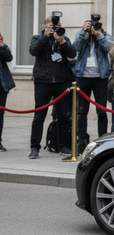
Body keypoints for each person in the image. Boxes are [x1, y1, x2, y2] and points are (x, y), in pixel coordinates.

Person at [28, 15, 77, 158]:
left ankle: (62, 145)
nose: (54, 29)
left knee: (63, 115)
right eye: (50, 26)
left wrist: (61, 41)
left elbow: (72, 54)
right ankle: (34, 147)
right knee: (39, 115)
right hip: (43, 81)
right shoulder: (37, 38)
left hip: (61, 81)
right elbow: (33, 51)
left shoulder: (63, 39)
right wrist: (45, 37)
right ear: (45, 26)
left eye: (56, 26)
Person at [72, 15, 114, 141]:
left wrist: (99, 35)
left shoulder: (106, 36)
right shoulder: (81, 35)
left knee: (101, 111)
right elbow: (75, 48)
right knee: (81, 111)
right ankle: (81, 140)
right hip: (82, 76)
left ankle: (102, 139)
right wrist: (83, 32)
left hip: (100, 77)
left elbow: (109, 48)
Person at [0, 31, 15, 152]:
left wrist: (2, 46)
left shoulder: (2, 47)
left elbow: (9, 58)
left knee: (0, 115)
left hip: (2, 85)